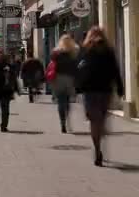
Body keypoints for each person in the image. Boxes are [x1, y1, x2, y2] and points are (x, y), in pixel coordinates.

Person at [76, 27, 124, 166]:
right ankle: (100, 136)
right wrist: (120, 87)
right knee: (101, 119)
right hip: (105, 90)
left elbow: (78, 69)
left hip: (89, 91)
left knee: (93, 121)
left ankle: (97, 149)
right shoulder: (108, 51)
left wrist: (77, 87)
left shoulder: (85, 50)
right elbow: (115, 70)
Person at [48, 35, 78, 133]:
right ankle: (67, 116)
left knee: (60, 100)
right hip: (69, 79)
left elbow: (52, 62)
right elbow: (75, 67)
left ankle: (62, 122)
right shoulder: (73, 52)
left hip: (58, 78)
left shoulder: (56, 53)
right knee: (67, 100)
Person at [0, 50, 18, 131]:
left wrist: (10, 70)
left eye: (0, 54)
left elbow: (13, 74)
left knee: (5, 110)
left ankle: (4, 126)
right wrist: (4, 71)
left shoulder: (7, 64)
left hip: (6, 91)